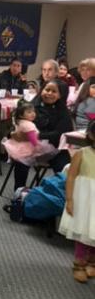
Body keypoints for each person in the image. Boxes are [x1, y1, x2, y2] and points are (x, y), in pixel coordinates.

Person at [11, 80, 73, 190]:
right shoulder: (31, 106)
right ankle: (19, 192)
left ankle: (61, 196)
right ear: (42, 90)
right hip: (30, 146)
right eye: (47, 90)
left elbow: (60, 134)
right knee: (21, 160)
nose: (49, 93)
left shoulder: (63, 111)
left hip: (55, 147)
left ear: (60, 95)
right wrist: (15, 134)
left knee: (65, 169)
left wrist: (38, 136)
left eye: (54, 91)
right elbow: (19, 124)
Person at [58, 120, 95, 283]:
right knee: (82, 231)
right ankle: (79, 263)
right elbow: (71, 177)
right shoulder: (82, 153)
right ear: (91, 135)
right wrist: (70, 199)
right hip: (85, 199)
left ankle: (92, 262)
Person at [1, 100, 58, 166]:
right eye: (29, 112)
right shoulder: (29, 125)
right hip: (28, 145)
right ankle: (39, 163)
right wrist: (37, 146)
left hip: (18, 143)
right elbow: (32, 137)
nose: (33, 113)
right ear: (21, 115)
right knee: (45, 152)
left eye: (33, 111)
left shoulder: (19, 121)